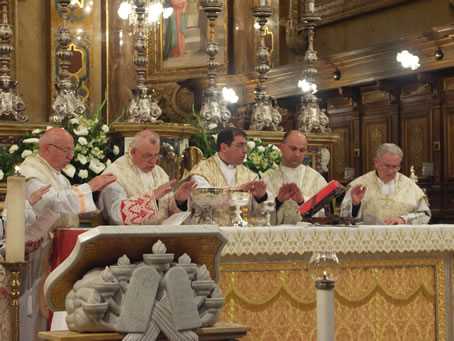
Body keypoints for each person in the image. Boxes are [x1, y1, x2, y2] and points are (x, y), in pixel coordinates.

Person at [17, 127, 117, 333]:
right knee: (33, 310)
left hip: (60, 249)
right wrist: (89, 186)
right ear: (47, 149)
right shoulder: (31, 174)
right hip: (37, 249)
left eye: (72, 150)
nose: (71, 156)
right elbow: (51, 203)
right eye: (66, 150)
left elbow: (69, 211)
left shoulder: (60, 177)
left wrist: (96, 193)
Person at [99, 130, 195, 225]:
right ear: (133, 152)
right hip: (129, 238)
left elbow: (166, 211)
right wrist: (152, 198)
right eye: (148, 156)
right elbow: (117, 215)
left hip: (162, 237)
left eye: (156, 155)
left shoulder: (160, 172)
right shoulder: (114, 174)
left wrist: (178, 201)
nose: (153, 161)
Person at [186, 127, 272, 226]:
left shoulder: (250, 175)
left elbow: (263, 211)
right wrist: (239, 190)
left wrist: (261, 197)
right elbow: (202, 199)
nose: (245, 150)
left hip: (242, 235)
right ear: (224, 147)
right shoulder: (202, 170)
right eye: (240, 145)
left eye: (245, 146)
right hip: (211, 233)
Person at [340, 143, 431, 225]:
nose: (391, 171)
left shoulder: (410, 186)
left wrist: (403, 220)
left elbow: (425, 215)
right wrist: (355, 205)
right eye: (387, 166)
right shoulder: (358, 186)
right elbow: (343, 218)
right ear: (376, 162)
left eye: (395, 166)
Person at [262, 130, 327, 225]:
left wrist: (302, 201)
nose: (297, 154)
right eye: (293, 149)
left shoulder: (316, 179)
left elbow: (325, 214)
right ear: (282, 147)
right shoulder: (267, 180)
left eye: (302, 150)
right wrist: (278, 201)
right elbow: (258, 215)